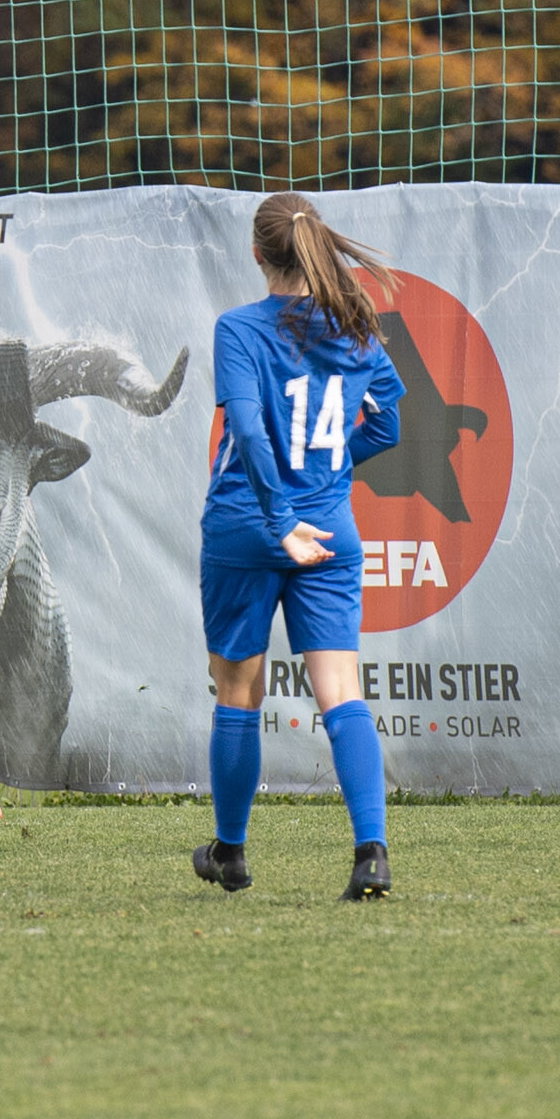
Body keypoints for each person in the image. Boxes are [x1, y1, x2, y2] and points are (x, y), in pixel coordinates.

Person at [195, 193, 406, 900]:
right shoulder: (355, 328)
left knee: (237, 690)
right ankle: (371, 854)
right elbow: (388, 426)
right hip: (330, 529)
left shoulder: (237, 328)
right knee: (341, 690)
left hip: (248, 526)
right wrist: (326, 473)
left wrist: (281, 516)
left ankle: (230, 852)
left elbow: (247, 430)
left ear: (258, 254)